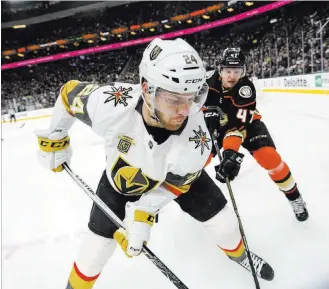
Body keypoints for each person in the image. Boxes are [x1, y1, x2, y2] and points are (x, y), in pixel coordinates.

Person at [36, 39, 274, 289]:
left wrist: (144, 212)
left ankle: (240, 255)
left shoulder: (197, 138)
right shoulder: (110, 104)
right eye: (174, 100)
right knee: (94, 253)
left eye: (193, 97)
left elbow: (175, 186)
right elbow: (68, 93)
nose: (185, 111)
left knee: (224, 225)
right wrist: (56, 136)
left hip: (177, 177)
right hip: (121, 182)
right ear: (147, 88)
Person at [204, 47, 308, 222]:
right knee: (196, 160)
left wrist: (230, 152)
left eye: (237, 71)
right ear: (219, 69)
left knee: (270, 158)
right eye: (228, 71)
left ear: (243, 71)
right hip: (217, 126)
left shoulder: (246, 88)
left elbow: (238, 125)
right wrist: (204, 115)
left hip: (247, 123)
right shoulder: (207, 83)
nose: (232, 76)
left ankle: (295, 197)